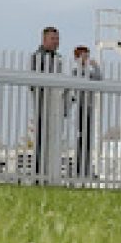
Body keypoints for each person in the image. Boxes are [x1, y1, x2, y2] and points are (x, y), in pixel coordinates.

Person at [30, 26, 65, 177]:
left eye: (57, 38)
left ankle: (49, 171)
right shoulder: (38, 57)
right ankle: (39, 172)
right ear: (44, 40)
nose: (56, 42)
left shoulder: (57, 58)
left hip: (54, 104)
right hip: (43, 102)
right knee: (42, 138)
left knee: (53, 139)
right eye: (53, 38)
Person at [70, 44, 103, 179]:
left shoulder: (89, 72)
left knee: (88, 139)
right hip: (80, 107)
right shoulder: (75, 71)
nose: (87, 58)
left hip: (88, 106)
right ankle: (79, 167)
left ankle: (86, 166)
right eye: (84, 56)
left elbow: (99, 78)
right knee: (81, 138)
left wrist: (95, 66)